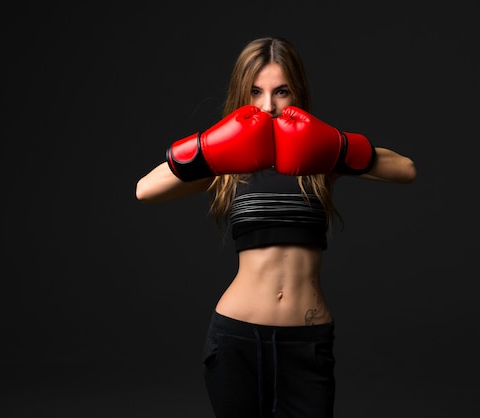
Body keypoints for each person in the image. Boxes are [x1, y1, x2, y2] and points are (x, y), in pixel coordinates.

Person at [135, 36, 416, 418]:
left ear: (296, 93)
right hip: (236, 338)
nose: (268, 106)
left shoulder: (319, 159)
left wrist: (336, 145)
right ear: (242, 94)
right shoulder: (227, 164)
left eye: (281, 91)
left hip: (306, 342)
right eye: (255, 92)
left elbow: (406, 170)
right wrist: (208, 148)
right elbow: (145, 190)